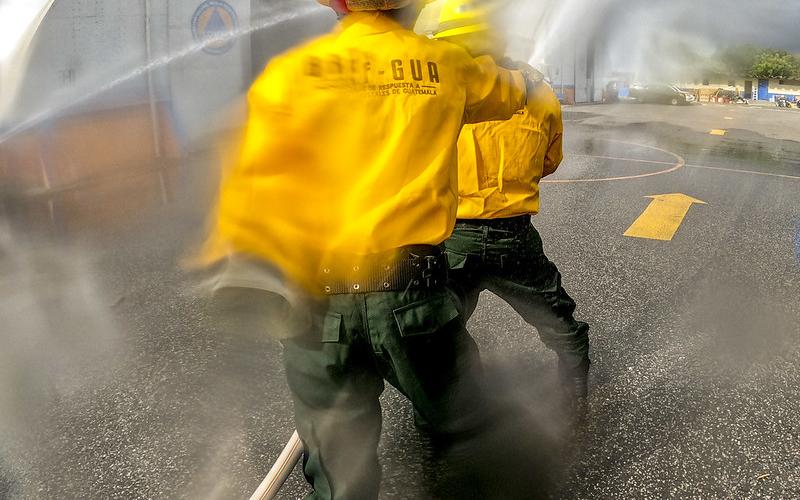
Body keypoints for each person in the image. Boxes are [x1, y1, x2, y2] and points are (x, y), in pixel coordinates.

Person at [199, 0, 541, 498]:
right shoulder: (447, 66)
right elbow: (512, 95)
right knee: (469, 432)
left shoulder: (290, 74)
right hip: (412, 297)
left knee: (340, 474)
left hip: (316, 302)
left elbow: (256, 188)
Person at [428, 0, 591, 415]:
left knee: (434, 334)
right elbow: (549, 162)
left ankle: (447, 415)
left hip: (449, 237)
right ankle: (574, 395)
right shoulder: (539, 94)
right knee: (559, 322)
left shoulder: (438, 91)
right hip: (514, 237)